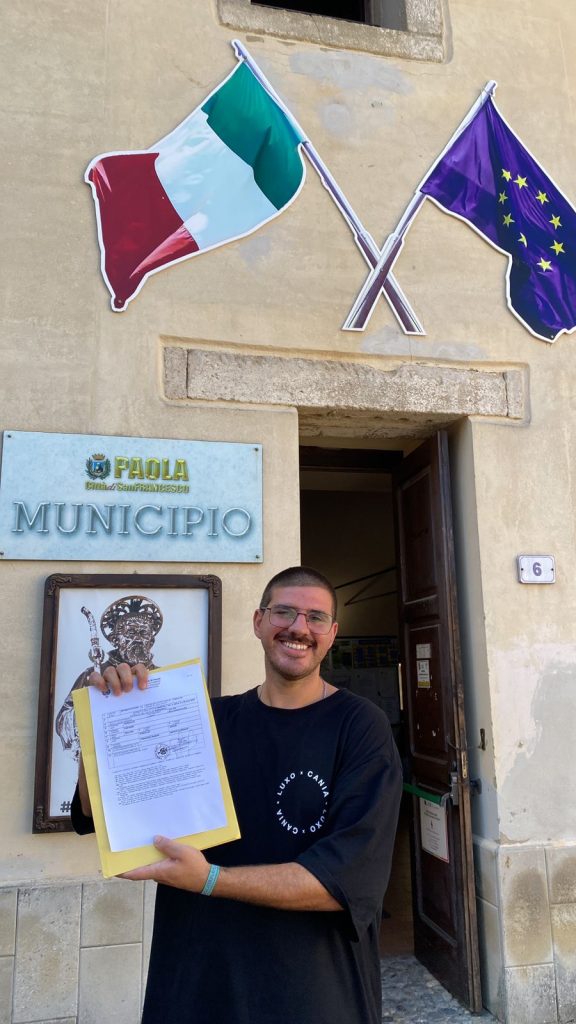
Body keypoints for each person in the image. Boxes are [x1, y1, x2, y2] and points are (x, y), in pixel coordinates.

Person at [72, 566, 402, 1024]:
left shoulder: (360, 726)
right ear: (259, 622)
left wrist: (210, 880)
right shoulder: (208, 721)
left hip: (310, 992)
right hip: (195, 986)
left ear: (332, 634)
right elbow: (97, 812)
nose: (299, 627)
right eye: (284, 612)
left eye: (316, 617)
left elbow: (343, 882)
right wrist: (106, 719)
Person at [56, 595, 163, 762]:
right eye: (130, 633)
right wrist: (93, 704)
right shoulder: (93, 675)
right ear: (115, 640)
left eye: (143, 633)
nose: (137, 639)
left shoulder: (165, 677)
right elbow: (64, 721)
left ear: (151, 641)